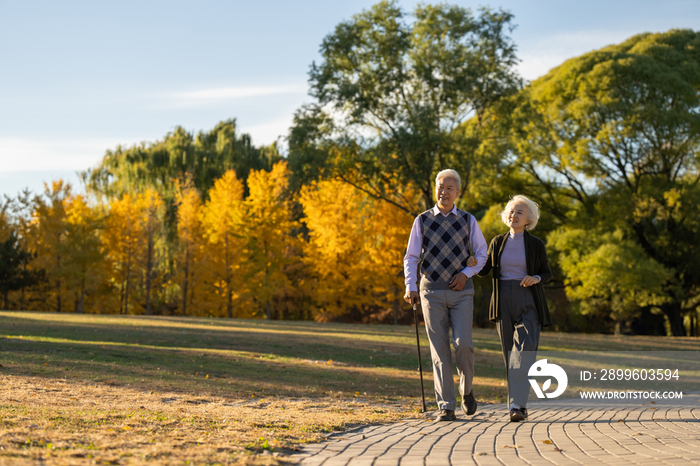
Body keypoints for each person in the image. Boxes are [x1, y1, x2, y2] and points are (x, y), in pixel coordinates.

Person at [403, 169, 488, 421]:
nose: (444, 191)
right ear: (436, 189)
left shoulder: (468, 220)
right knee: (439, 350)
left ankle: (467, 390)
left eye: (450, 187)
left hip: (462, 292)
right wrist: (410, 286)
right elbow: (411, 257)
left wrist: (466, 273)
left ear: (457, 192)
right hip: (431, 291)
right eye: (440, 186)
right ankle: (446, 406)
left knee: (464, 345)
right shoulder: (422, 220)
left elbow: (482, 254)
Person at [475, 195, 552, 422]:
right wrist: (474, 263)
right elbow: (485, 270)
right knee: (509, 354)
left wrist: (535, 278)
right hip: (502, 301)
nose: (514, 215)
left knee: (524, 352)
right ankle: (516, 406)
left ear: (529, 219)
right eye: (511, 211)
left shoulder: (536, 244)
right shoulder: (497, 242)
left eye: (519, 212)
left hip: (528, 299)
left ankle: (517, 404)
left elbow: (547, 273)